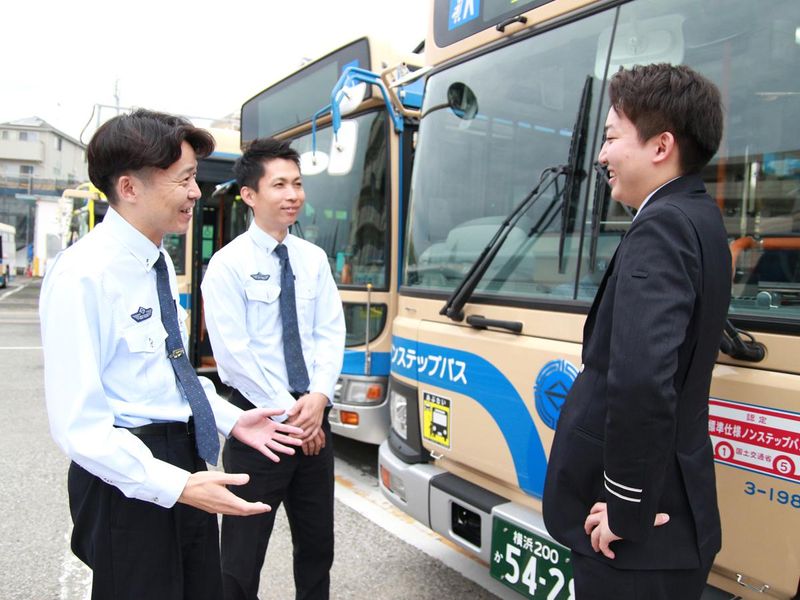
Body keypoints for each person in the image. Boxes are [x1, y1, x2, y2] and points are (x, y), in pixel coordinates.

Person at [40, 109, 303, 600]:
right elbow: (79, 425)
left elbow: (169, 370)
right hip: (127, 476)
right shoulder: (83, 275)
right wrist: (176, 485)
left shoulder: (156, 258)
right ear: (129, 187)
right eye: (183, 179)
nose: (196, 192)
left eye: (194, 177)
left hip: (182, 461)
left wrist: (230, 419)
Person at [543, 64, 730, 600]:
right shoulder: (699, 216)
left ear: (661, 146)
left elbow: (642, 379)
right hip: (671, 513)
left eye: (610, 137)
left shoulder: (662, 225)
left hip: (635, 537)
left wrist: (626, 507)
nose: (601, 155)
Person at [201, 137, 345, 600]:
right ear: (249, 194)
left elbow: (330, 333)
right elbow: (234, 357)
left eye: (297, 184)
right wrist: (294, 416)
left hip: (314, 423)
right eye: (279, 185)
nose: (293, 195)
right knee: (241, 559)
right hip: (259, 428)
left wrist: (318, 399)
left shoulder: (313, 259)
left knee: (318, 548)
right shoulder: (227, 265)